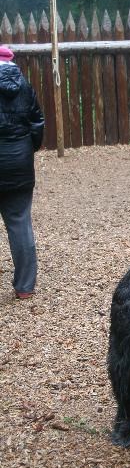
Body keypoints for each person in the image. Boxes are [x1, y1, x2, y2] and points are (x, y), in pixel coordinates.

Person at [0, 45, 44, 299]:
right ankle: (25, 287)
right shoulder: (25, 87)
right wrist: (27, 150)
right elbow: (37, 123)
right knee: (19, 224)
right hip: (19, 163)